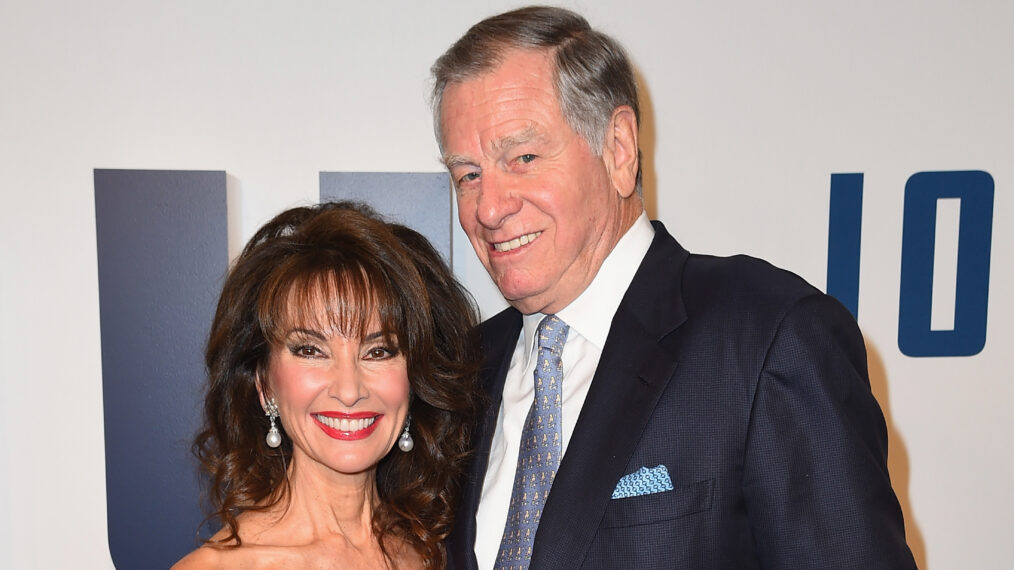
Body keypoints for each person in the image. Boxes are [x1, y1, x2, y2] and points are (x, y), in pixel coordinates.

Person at [430, 6, 917, 569]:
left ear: (618, 148)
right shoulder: (462, 373)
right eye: (467, 174)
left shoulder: (766, 338)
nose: (489, 208)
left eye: (524, 157)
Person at [174, 201, 480, 569]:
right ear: (264, 382)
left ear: (415, 379)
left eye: (378, 351)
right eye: (311, 350)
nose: (349, 390)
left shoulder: (434, 552)